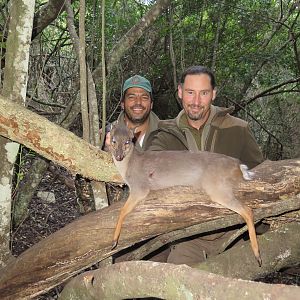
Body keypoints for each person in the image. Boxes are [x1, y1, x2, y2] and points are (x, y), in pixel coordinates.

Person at [144, 65, 264, 265]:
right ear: (180, 92)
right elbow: (150, 172)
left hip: (234, 234)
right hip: (189, 237)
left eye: (204, 93)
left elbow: (258, 177)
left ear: (214, 94)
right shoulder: (163, 135)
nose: (196, 101)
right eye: (190, 93)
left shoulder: (238, 129)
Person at [105, 74, 159, 150]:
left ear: (151, 104)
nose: (138, 102)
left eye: (144, 98)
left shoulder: (167, 135)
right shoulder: (105, 135)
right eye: (131, 97)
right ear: (122, 104)